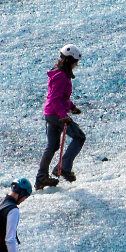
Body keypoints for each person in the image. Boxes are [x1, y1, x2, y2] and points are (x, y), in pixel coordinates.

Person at [36, 44, 85, 189]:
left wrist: (71, 107)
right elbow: (55, 98)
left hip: (51, 113)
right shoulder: (62, 76)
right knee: (79, 137)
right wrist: (64, 116)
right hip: (56, 114)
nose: (76, 64)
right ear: (70, 61)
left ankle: (41, 177)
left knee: (52, 146)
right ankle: (64, 167)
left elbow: (60, 97)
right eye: (75, 61)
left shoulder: (58, 73)